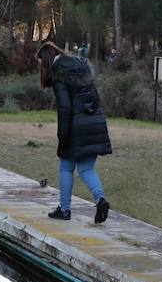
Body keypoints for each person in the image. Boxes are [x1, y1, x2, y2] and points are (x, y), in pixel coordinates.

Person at [37, 41, 111, 223]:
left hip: (75, 125)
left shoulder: (58, 73)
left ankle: (64, 209)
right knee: (86, 168)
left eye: (40, 64)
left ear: (46, 60)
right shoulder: (80, 65)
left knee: (66, 167)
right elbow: (95, 97)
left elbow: (65, 107)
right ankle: (100, 200)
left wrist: (63, 135)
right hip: (94, 122)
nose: (40, 68)